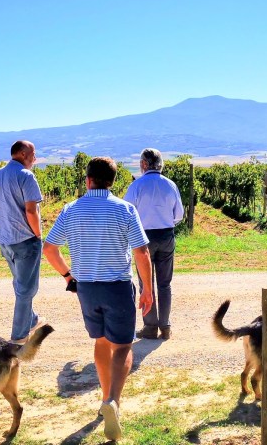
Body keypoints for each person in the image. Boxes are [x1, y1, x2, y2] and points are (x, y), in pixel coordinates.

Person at [42, 156, 153, 442]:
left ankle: (105, 397)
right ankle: (113, 400)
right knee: (123, 346)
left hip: (87, 288)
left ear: (88, 179)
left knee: (101, 342)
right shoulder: (125, 209)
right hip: (117, 286)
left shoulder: (70, 210)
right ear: (112, 181)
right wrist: (148, 289)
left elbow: (50, 249)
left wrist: (68, 277)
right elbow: (141, 253)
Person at [124, 148, 184, 340]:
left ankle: (150, 326)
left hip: (143, 237)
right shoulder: (170, 185)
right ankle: (165, 326)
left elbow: (127, 213)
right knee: (165, 283)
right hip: (167, 235)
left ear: (143, 164)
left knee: (145, 283)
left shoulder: (136, 186)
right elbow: (179, 215)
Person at [0, 140, 46, 345]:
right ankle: (18, 338)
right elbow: (31, 210)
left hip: (4, 239)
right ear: (23, 154)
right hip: (24, 239)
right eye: (33, 153)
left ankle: (31, 319)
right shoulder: (26, 175)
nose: (35, 158)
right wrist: (38, 234)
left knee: (19, 282)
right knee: (26, 289)